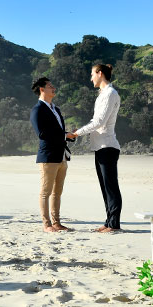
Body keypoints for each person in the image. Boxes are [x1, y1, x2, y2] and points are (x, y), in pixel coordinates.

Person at [69, 64, 122, 233]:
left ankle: (114, 224)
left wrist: (77, 133)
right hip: (100, 147)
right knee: (105, 187)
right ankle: (108, 221)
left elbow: (99, 122)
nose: (91, 78)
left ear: (100, 74)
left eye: (92, 74)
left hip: (107, 146)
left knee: (111, 187)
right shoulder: (103, 94)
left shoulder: (110, 94)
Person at [30, 77, 76, 233]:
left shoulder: (56, 109)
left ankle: (56, 223)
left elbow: (58, 130)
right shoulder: (37, 109)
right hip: (48, 156)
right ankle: (46, 224)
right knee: (45, 192)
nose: (53, 88)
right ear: (42, 89)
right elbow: (42, 134)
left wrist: (68, 135)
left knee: (58, 192)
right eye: (50, 86)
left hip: (61, 155)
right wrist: (64, 135)